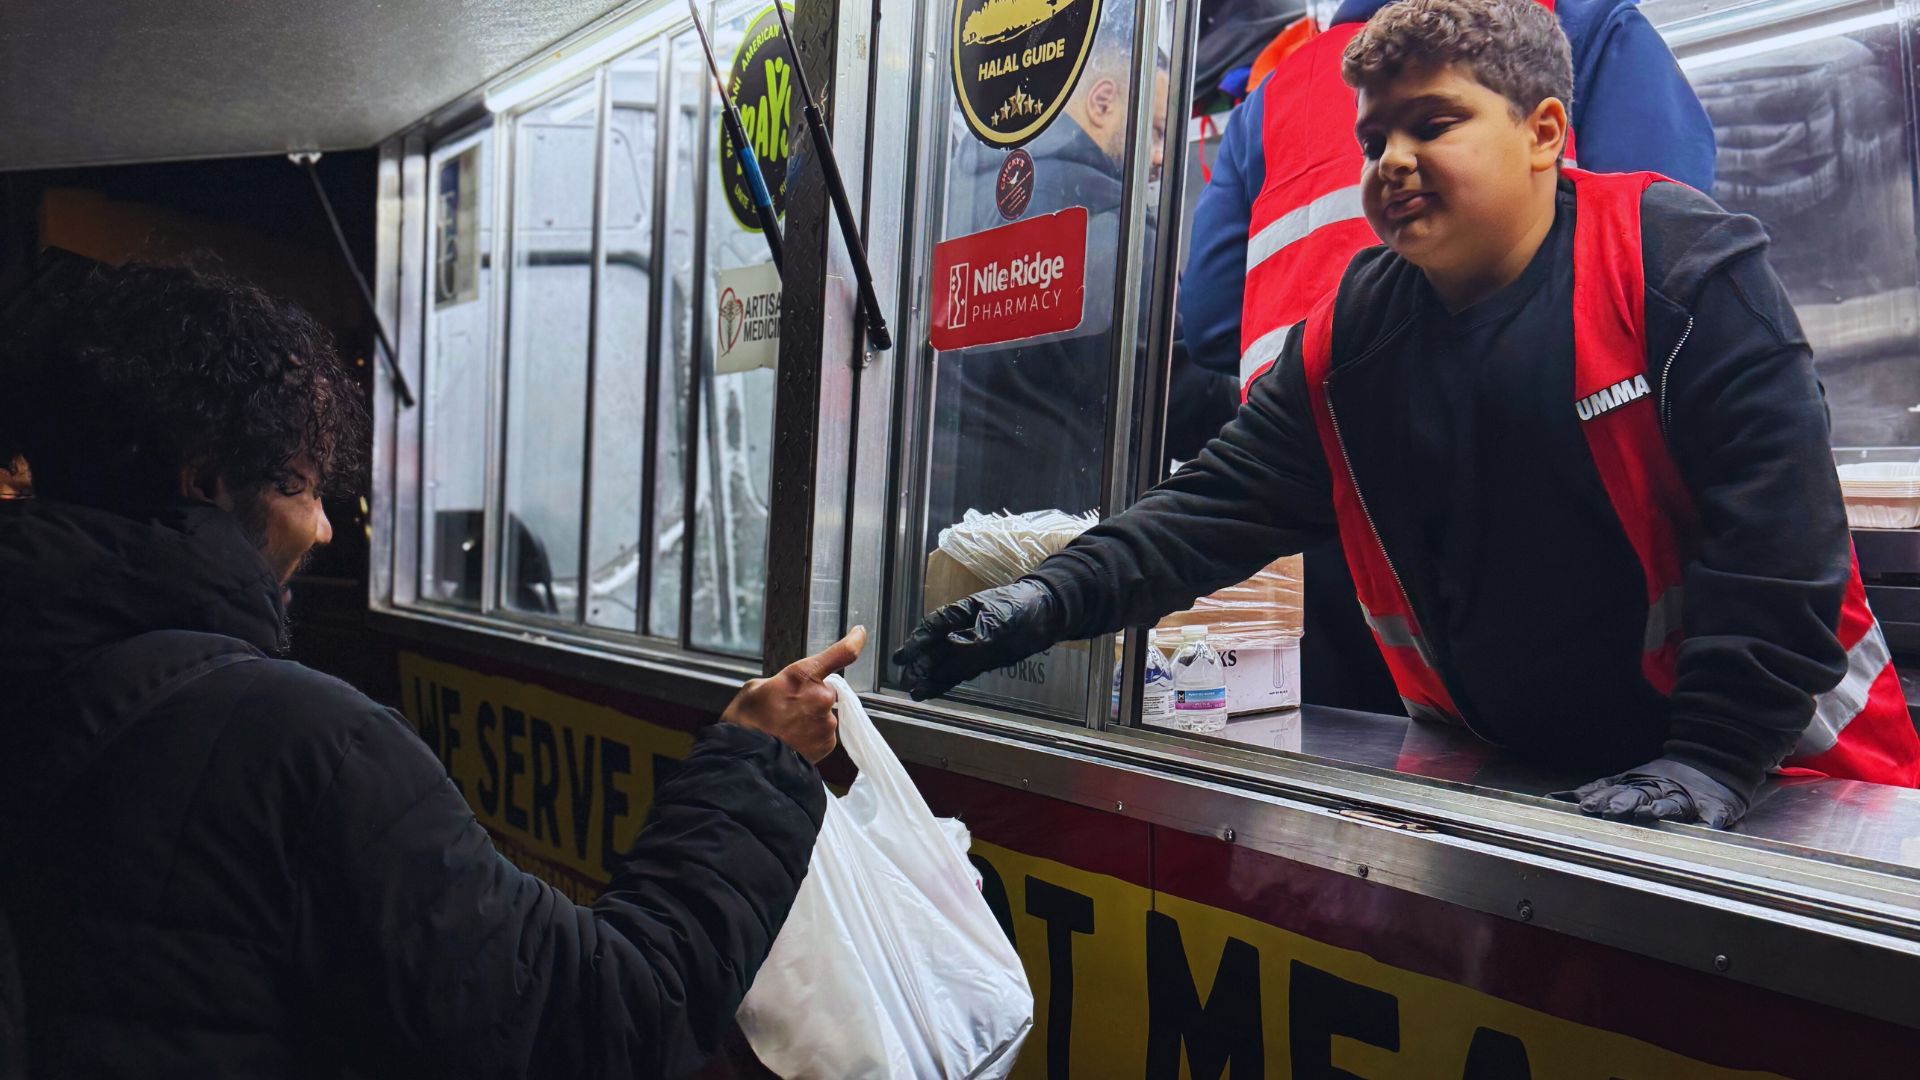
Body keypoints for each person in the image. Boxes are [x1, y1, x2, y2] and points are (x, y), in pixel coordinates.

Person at [897, 0, 1920, 830]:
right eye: (1375, 136)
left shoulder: (1679, 269)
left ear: (1545, 135)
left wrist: (1711, 757)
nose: (1390, 159)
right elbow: (1205, 513)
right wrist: (1035, 603)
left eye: (1433, 124)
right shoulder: (1350, 340)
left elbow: (1779, 548)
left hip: (1790, 787)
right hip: (1546, 789)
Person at [0, 251, 862, 1077]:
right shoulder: (300, 745)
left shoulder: (44, 660)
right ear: (206, 480)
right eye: (301, 487)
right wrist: (757, 762)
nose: (325, 528)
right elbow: (604, 1016)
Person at [1182, 0, 1717, 713]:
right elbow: (1668, 248)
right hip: (1545, 500)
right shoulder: (1577, 24)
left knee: (1356, 780)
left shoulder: (1273, 94)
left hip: (1319, 523)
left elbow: (1213, 322)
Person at [931, 15, 1237, 535]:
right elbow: (1169, 393)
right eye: (1158, 131)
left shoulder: (958, 195)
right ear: (1101, 102)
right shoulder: (1106, 218)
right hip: (1055, 533)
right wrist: (1257, 399)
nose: (1162, 157)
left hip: (947, 515)